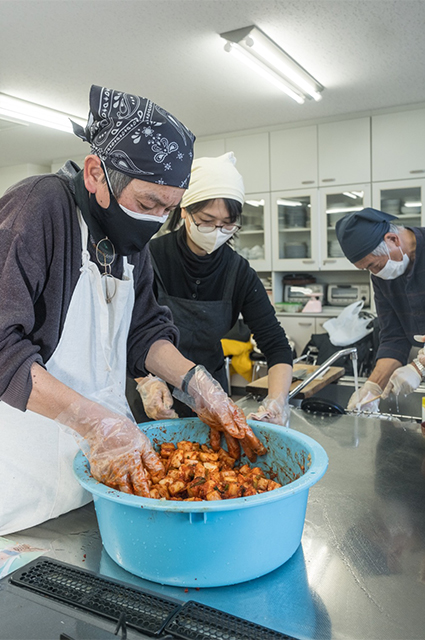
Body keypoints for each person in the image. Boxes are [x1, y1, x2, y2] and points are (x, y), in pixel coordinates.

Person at [0, 85, 264, 536]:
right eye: (147, 203)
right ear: (95, 173)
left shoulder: (127, 242)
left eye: (169, 208)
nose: (156, 219)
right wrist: (95, 422)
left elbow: (144, 330)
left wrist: (195, 383)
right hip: (24, 478)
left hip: (102, 471)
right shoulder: (38, 208)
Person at [136, 152, 293, 428]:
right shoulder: (148, 258)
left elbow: (276, 346)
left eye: (227, 225)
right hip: (152, 395)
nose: (217, 231)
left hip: (212, 400)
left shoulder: (238, 272)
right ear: (184, 210)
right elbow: (123, 333)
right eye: (206, 221)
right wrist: (145, 382)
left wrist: (277, 401)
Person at [335, 207, 425, 410]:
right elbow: (393, 336)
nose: (375, 273)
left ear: (393, 239)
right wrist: (373, 387)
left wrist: (419, 367)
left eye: (374, 265)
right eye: (368, 269)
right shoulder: (383, 276)